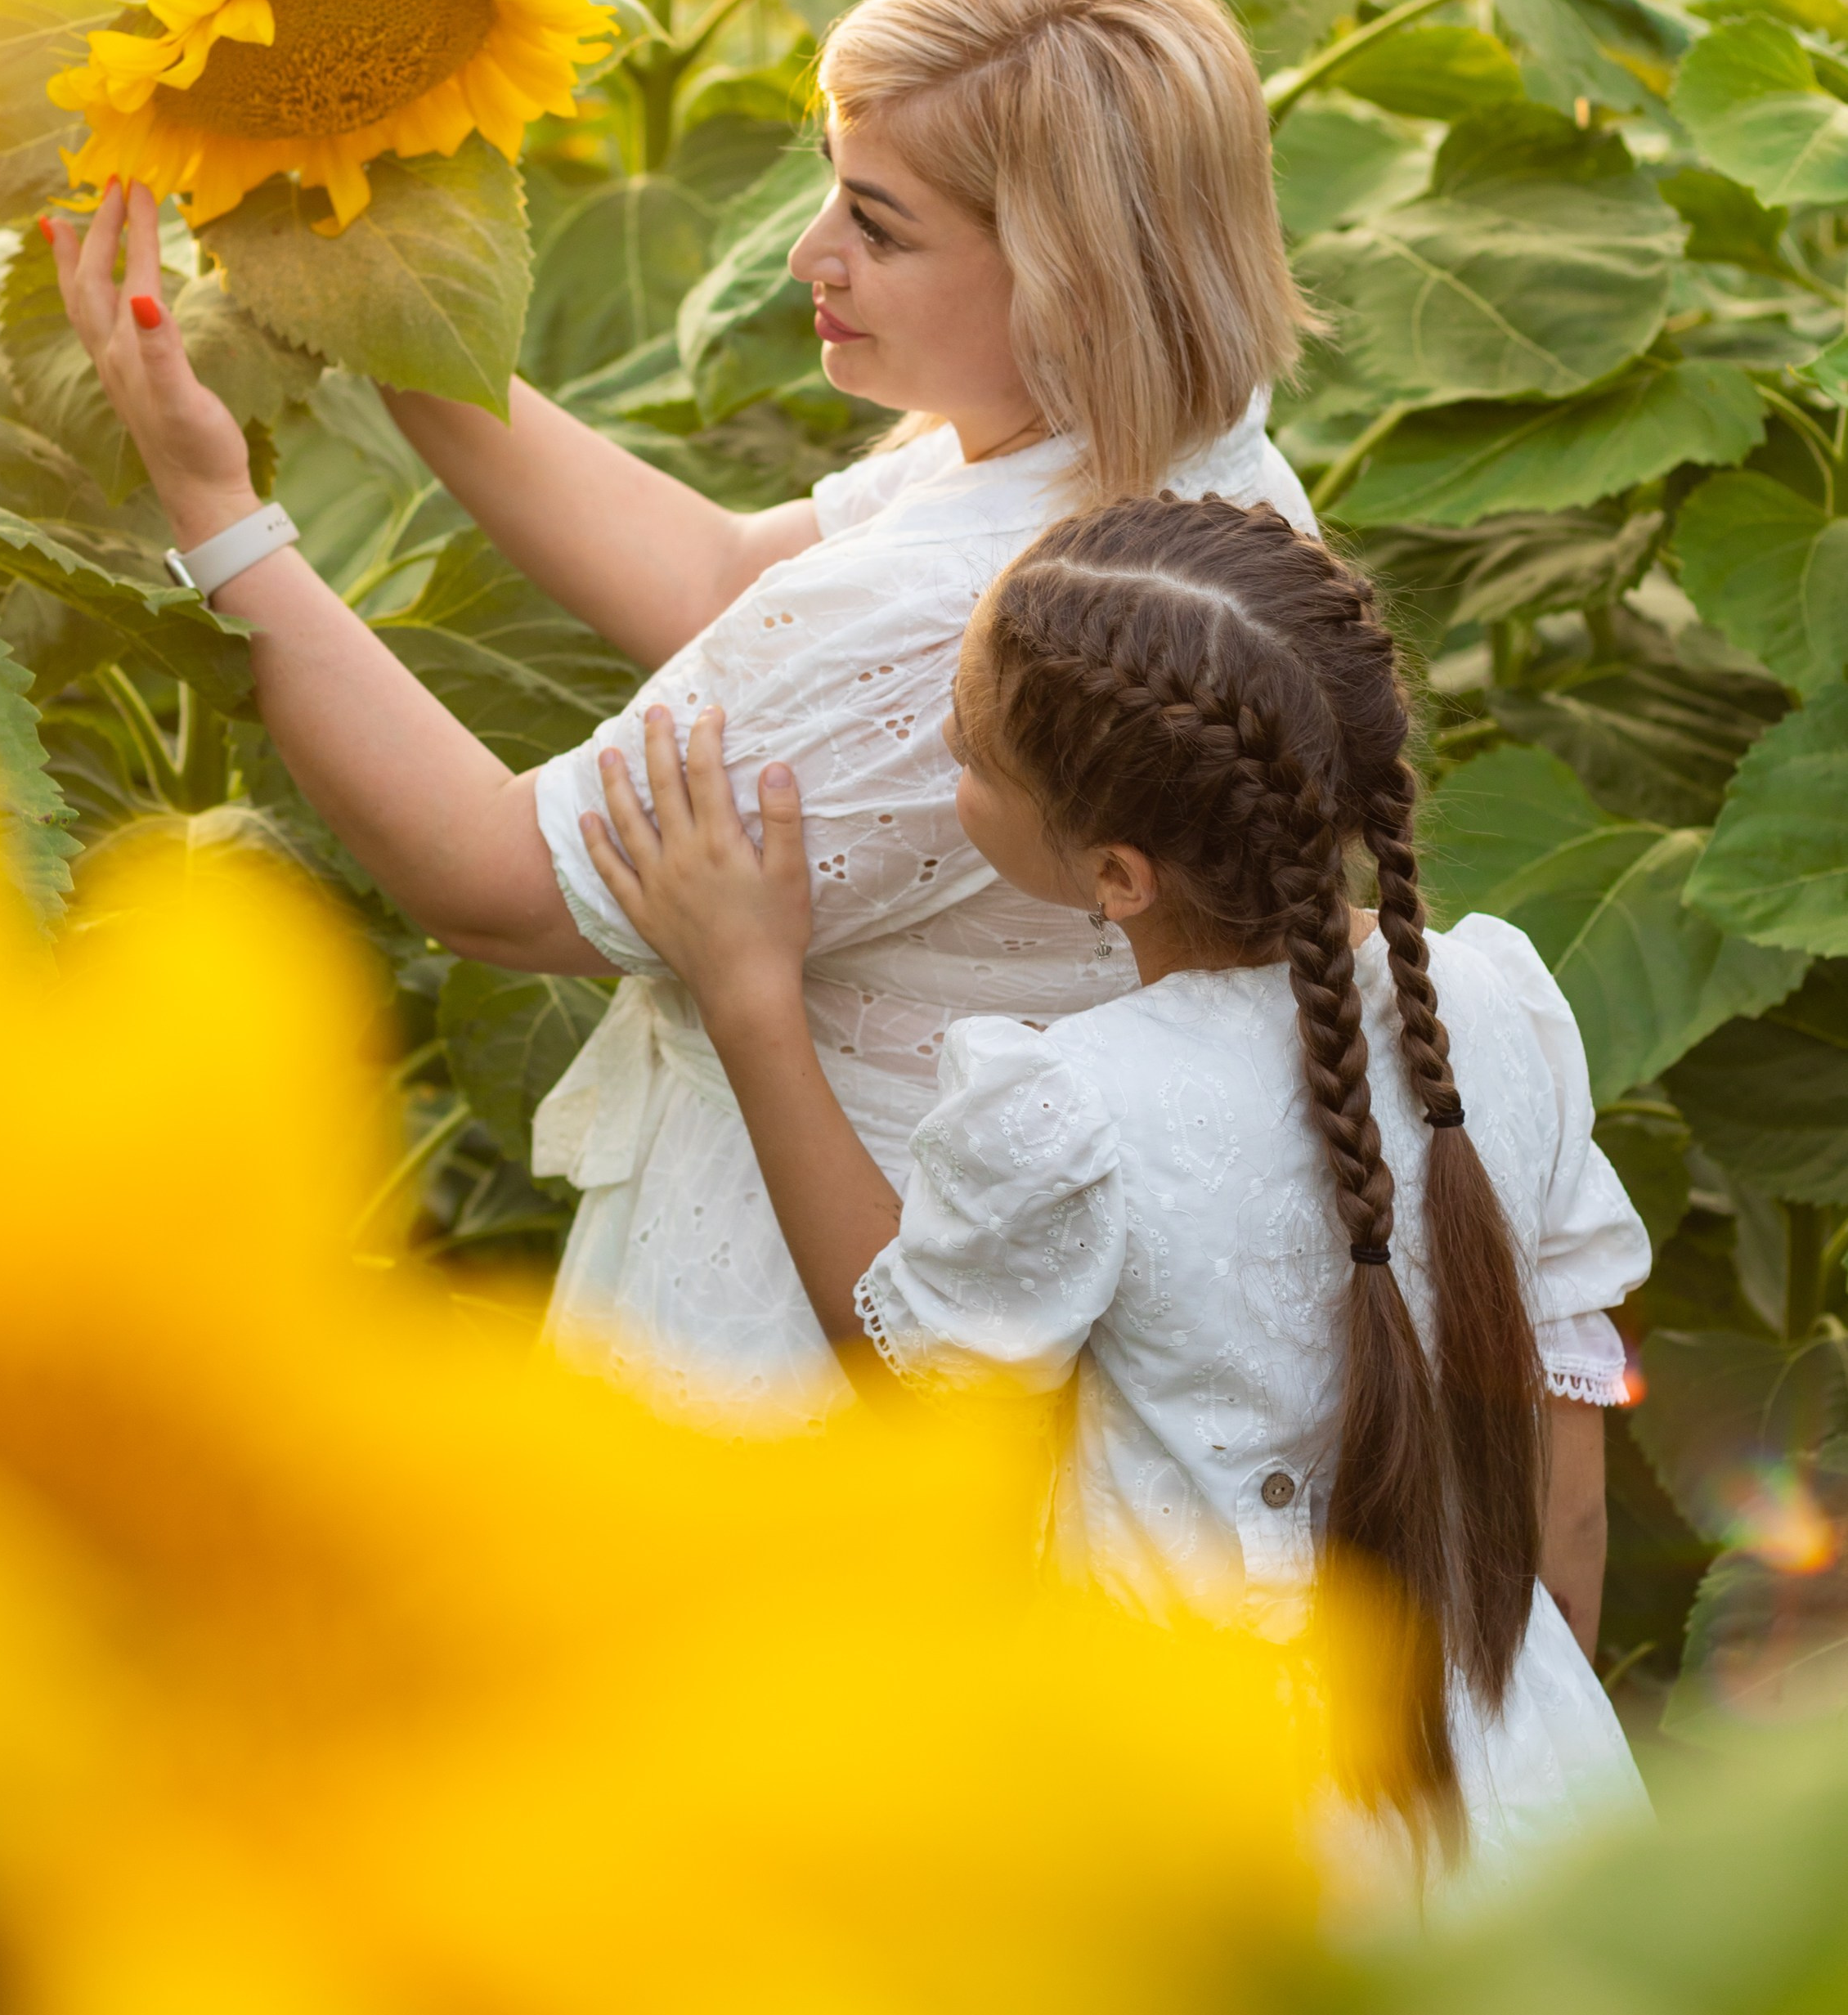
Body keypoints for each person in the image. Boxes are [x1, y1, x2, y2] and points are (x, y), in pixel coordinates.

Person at [46, 0, 1312, 1425]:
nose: (810, 254)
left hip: (816, 1322)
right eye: (833, 187)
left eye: (880, 226)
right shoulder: (1181, 448)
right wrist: (389, 316)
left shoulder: (973, 608)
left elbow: (497, 883)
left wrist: (217, 511)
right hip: (993, 1275)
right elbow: (722, 576)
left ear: (1071, 277)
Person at [576, 493, 1653, 1878]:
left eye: (971, 753)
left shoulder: (1065, 1107)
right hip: (1517, 1752)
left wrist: (748, 994)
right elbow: (1568, 1448)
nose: (945, 758)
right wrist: (1544, 1744)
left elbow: (917, 1377)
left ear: (1118, 877)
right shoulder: (1498, 1001)